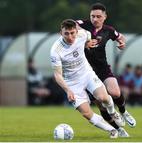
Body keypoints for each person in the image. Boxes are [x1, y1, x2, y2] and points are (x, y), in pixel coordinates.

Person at [50, 19, 129, 138]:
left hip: (87, 74)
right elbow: (57, 75)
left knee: (103, 98)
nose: (70, 37)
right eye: (66, 33)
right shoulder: (56, 51)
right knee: (87, 113)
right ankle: (112, 130)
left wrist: (87, 44)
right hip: (72, 83)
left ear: (77, 31)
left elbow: (88, 36)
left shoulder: (83, 34)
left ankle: (113, 112)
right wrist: (68, 90)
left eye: (72, 33)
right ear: (61, 33)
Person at [77, 2, 136, 130]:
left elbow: (121, 37)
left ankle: (124, 112)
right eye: (92, 16)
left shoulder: (108, 30)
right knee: (101, 104)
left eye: (98, 16)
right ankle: (117, 129)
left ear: (105, 17)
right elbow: (67, 27)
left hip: (102, 67)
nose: (95, 19)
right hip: (86, 71)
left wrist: (122, 43)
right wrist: (83, 36)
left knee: (115, 92)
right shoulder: (83, 24)